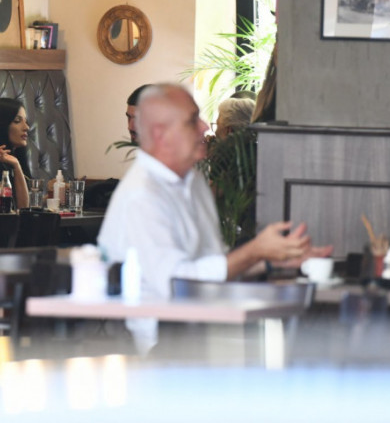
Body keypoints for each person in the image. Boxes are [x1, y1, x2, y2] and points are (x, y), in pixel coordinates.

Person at [98, 83, 332, 353]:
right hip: (157, 347)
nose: (204, 127)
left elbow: (214, 265)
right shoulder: (142, 195)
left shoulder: (194, 182)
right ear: (160, 134)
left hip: (202, 333)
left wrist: (271, 260)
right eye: (192, 121)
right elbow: (178, 283)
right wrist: (255, 251)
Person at [0, 97, 32, 182]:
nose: (27, 127)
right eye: (17, 121)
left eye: (26, 121)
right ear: (2, 125)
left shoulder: (18, 157)